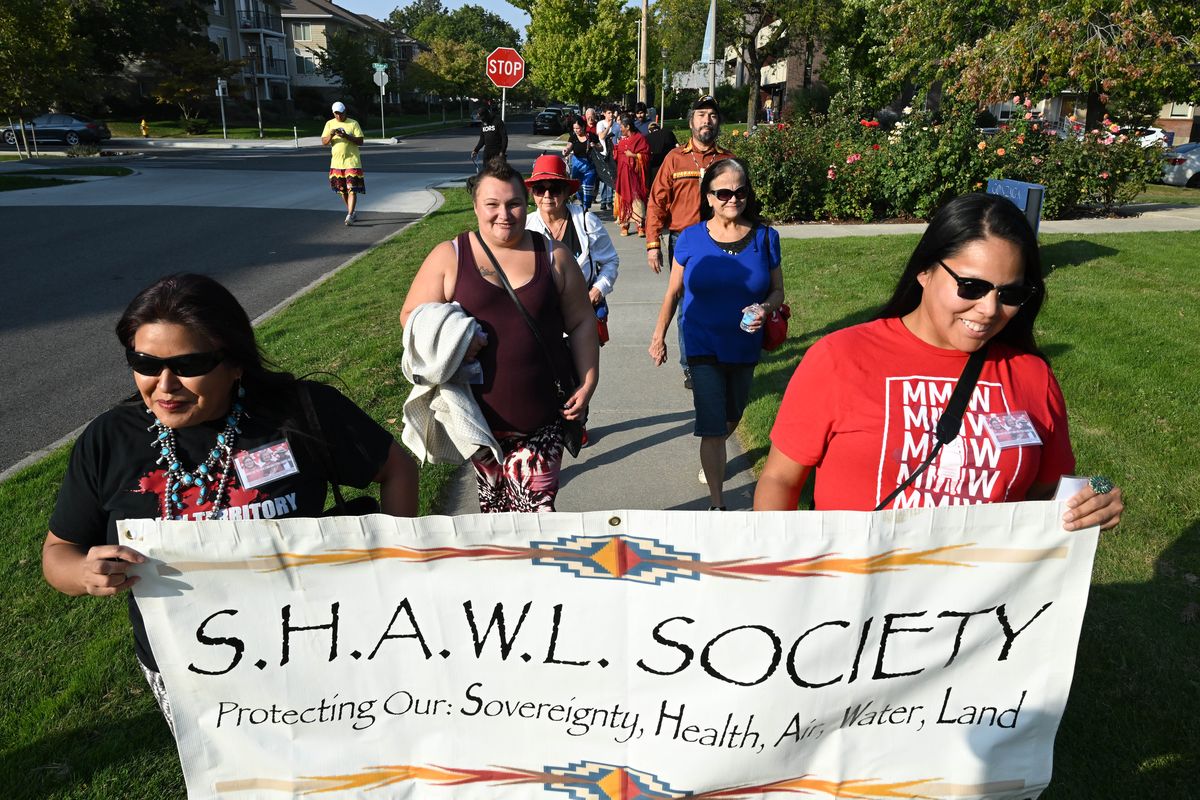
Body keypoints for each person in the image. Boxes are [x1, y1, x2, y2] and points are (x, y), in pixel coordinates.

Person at [41, 273, 419, 734]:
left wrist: (398, 563)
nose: (165, 385)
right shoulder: (110, 439)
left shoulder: (298, 412)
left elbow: (396, 468)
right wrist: (83, 573)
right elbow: (59, 551)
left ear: (235, 363)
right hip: (185, 668)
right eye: (144, 361)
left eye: (190, 363)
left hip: (316, 645)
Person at [752, 193, 1125, 532]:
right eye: (972, 287)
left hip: (977, 602)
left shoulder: (1031, 375)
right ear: (925, 271)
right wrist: (781, 573)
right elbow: (780, 481)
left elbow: (1046, 497)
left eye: (1010, 293)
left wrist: (1091, 504)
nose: (990, 309)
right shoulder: (840, 358)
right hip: (856, 598)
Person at [400, 158, 600, 513]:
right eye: (492, 205)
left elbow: (583, 321)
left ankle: (536, 566)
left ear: (526, 204)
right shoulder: (450, 256)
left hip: (543, 419)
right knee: (495, 519)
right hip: (476, 425)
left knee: (534, 515)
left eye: (513, 204)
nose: (504, 214)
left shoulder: (554, 256)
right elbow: (412, 319)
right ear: (476, 207)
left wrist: (587, 383)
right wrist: (456, 335)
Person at [649, 158, 785, 510]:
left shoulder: (766, 238)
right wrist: (659, 334)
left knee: (733, 414)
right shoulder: (691, 238)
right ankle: (717, 504)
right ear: (708, 196)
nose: (733, 199)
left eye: (740, 191)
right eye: (723, 192)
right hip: (701, 342)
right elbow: (673, 291)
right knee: (711, 425)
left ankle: (714, 454)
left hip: (743, 344)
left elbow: (777, 292)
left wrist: (765, 309)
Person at [645, 94, 733, 389]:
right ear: (691, 121)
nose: (707, 120)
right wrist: (653, 243)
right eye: (701, 115)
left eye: (712, 115)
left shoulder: (727, 160)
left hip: (722, 240)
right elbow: (657, 201)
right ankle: (692, 366)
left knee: (722, 301)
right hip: (684, 240)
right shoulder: (675, 158)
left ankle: (719, 357)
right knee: (687, 305)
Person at [524, 154, 619, 315]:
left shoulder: (586, 221)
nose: (547, 196)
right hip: (540, 318)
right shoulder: (524, 227)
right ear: (533, 193)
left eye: (554, 189)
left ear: (566, 191)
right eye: (540, 188)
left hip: (582, 313)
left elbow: (610, 261)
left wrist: (598, 289)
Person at [321, 101, 366, 225]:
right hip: (336, 164)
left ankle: (350, 215)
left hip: (352, 162)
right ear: (333, 113)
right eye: (336, 114)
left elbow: (361, 141)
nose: (338, 116)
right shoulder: (329, 124)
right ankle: (351, 212)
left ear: (345, 111)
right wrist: (331, 135)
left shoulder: (353, 123)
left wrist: (346, 136)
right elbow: (324, 142)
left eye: (341, 113)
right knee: (343, 191)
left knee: (352, 189)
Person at [613, 112, 649, 237]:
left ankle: (640, 225)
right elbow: (618, 156)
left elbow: (646, 156)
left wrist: (633, 155)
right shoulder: (622, 141)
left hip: (635, 177)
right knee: (623, 199)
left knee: (637, 199)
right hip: (623, 176)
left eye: (621, 126)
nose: (620, 129)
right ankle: (624, 225)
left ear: (628, 127)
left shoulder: (640, 138)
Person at [562, 118, 602, 210]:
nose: (576, 130)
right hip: (577, 165)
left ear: (583, 127)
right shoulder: (573, 137)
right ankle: (582, 203)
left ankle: (586, 207)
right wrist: (566, 150)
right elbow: (569, 147)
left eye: (578, 128)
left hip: (590, 166)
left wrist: (595, 145)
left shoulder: (591, 136)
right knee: (578, 186)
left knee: (588, 186)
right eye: (574, 128)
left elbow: (601, 148)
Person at [644, 121, 678, 191]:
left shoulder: (646, 138)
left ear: (649, 131)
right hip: (669, 165)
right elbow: (678, 147)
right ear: (659, 128)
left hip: (654, 167)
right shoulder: (668, 133)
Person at [596, 105, 618, 212]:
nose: (611, 115)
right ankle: (603, 200)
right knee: (604, 177)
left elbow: (618, 139)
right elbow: (601, 137)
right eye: (609, 113)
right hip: (603, 153)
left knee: (611, 176)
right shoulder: (600, 124)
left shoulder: (617, 125)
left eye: (612, 113)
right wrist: (608, 127)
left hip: (613, 153)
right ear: (604, 114)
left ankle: (609, 200)